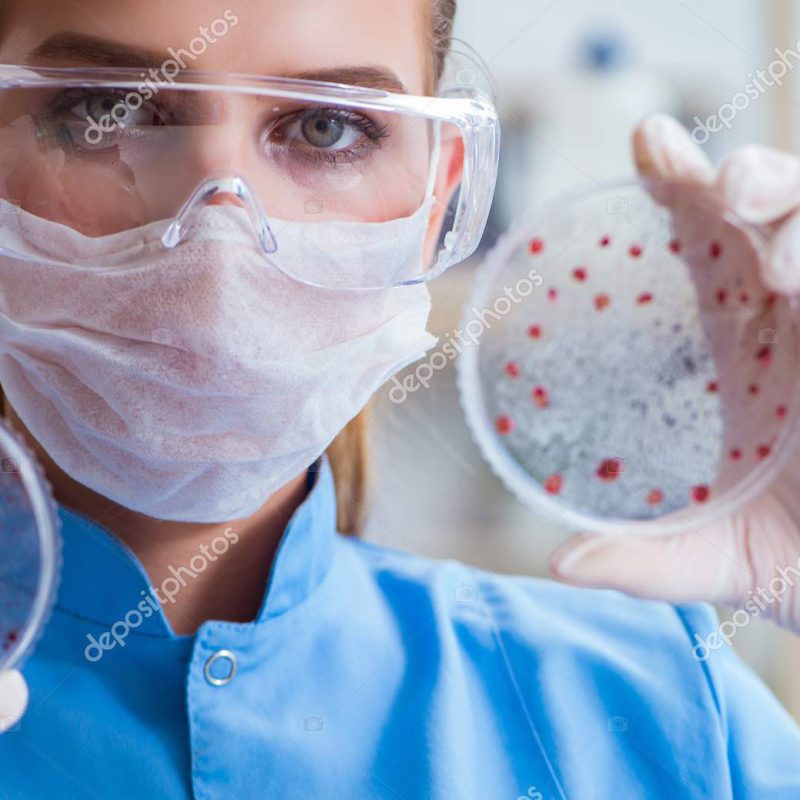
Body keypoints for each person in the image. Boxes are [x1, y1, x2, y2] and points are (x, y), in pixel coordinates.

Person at [0, 1, 798, 798]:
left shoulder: (668, 712)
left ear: (435, 201)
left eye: (327, 129)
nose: (219, 238)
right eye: (105, 111)